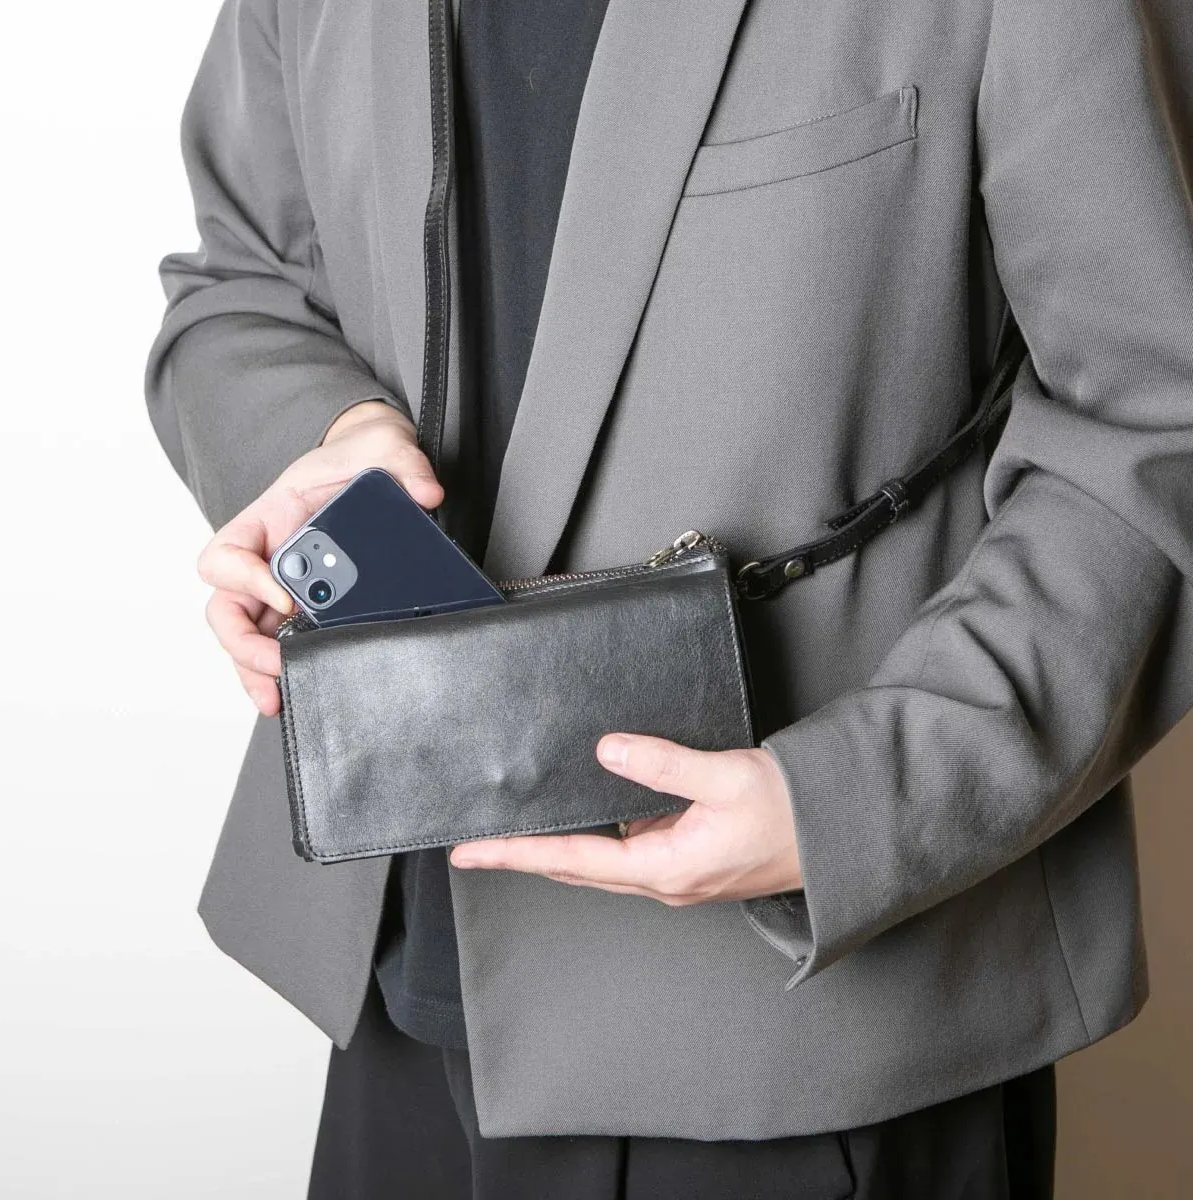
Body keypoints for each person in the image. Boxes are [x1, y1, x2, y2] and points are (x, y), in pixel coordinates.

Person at [145, 0, 1193, 1196]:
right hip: (393, 985)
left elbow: (1155, 421)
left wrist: (856, 804)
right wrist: (326, 443)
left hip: (806, 1027)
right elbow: (241, 282)